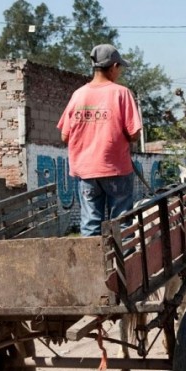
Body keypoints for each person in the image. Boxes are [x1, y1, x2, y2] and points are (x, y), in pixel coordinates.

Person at [57, 44, 143, 236]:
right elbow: (134, 134)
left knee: (90, 224)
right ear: (113, 66)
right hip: (116, 169)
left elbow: (64, 135)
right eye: (119, 68)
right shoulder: (121, 93)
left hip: (86, 172)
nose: (119, 72)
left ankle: (94, 265)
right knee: (121, 223)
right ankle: (123, 265)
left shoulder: (78, 95)